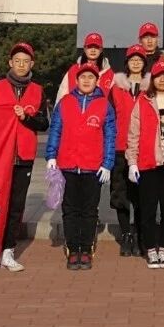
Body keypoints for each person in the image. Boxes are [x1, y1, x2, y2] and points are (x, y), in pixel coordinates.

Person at [0, 41, 49, 273]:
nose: (21, 65)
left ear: (32, 64)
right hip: (0, 156)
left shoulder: (38, 91)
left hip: (24, 157)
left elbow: (44, 122)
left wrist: (26, 118)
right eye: (17, 60)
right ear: (10, 62)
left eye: (26, 61)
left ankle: (8, 250)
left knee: (16, 205)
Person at [46, 61, 115, 271]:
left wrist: (107, 164)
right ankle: (72, 248)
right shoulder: (65, 102)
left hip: (93, 168)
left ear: (97, 81)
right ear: (76, 80)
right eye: (83, 77)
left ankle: (85, 249)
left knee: (89, 210)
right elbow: (56, 130)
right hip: (68, 166)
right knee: (70, 209)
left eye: (91, 77)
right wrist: (51, 156)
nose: (86, 80)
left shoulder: (104, 105)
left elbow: (110, 136)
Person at [126, 59, 164, 269]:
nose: (162, 80)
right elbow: (133, 134)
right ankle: (151, 249)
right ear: (152, 79)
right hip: (148, 164)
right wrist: (132, 162)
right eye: (158, 76)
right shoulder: (143, 101)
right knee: (149, 210)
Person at [108, 44, 148, 256]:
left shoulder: (151, 88)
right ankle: (126, 235)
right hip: (120, 148)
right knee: (120, 194)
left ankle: (140, 235)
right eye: (132, 59)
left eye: (139, 59)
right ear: (126, 63)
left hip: (143, 150)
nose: (136, 63)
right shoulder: (116, 88)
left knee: (142, 196)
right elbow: (109, 118)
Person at [54, 32, 114, 103]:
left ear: (101, 50)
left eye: (96, 47)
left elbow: (113, 103)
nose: (93, 50)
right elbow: (61, 98)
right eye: (90, 47)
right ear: (85, 49)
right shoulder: (73, 71)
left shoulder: (110, 74)